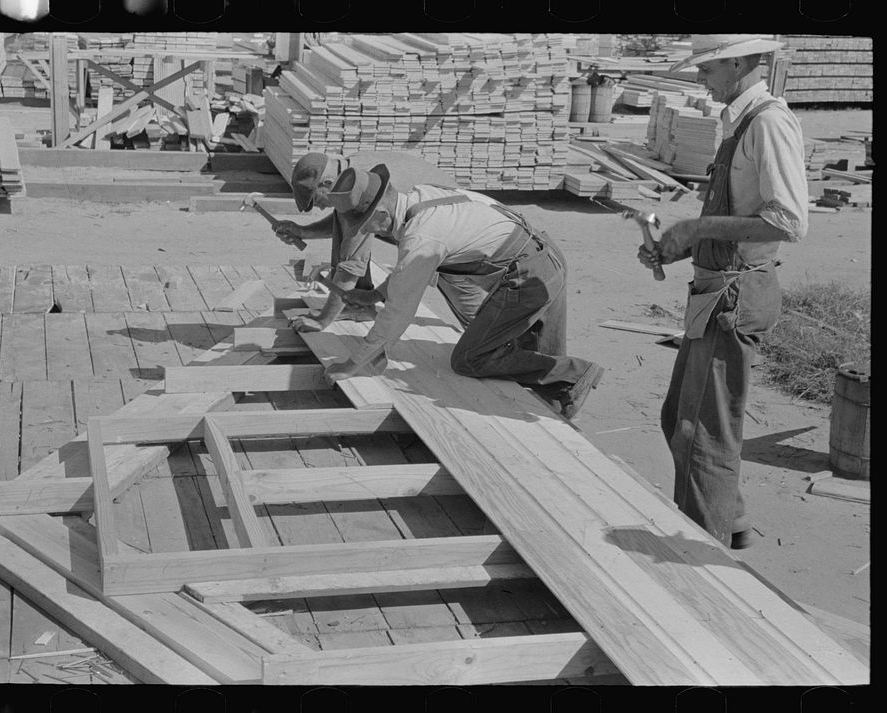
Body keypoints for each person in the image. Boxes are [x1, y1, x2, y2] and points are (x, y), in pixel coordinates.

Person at [639, 35, 809, 550]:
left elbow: (788, 220)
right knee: (681, 418)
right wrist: (679, 244)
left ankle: (700, 556)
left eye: (707, 68)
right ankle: (730, 525)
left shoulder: (769, 122)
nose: (700, 80)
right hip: (714, 289)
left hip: (737, 294)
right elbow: (734, 214)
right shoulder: (738, 121)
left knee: (702, 434)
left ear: (738, 62)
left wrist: (694, 228)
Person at [319, 163, 604, 420]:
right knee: (539, 372)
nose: (368, 232)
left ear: (381, 214)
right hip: (546, 255)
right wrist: (374, 295)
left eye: (365, 226)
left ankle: (576, 372)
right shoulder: (422, 196)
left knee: (469, 359)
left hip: (526, 276)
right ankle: (563, 402)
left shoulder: (421, 236)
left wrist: (353, 363)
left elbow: (399, 309)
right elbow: (411, 271)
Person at [271, 152, 459, 332]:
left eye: (317, 199)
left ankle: (357, 306)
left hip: (456, 230)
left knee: (473, 309)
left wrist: (321, 321)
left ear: (327, 183)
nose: (320, 208)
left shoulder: (363, 190)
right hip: (433, 219)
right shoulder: (350, 176)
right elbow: (345, 221)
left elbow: (350, 267)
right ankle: (358, 307)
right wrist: (304, 231)